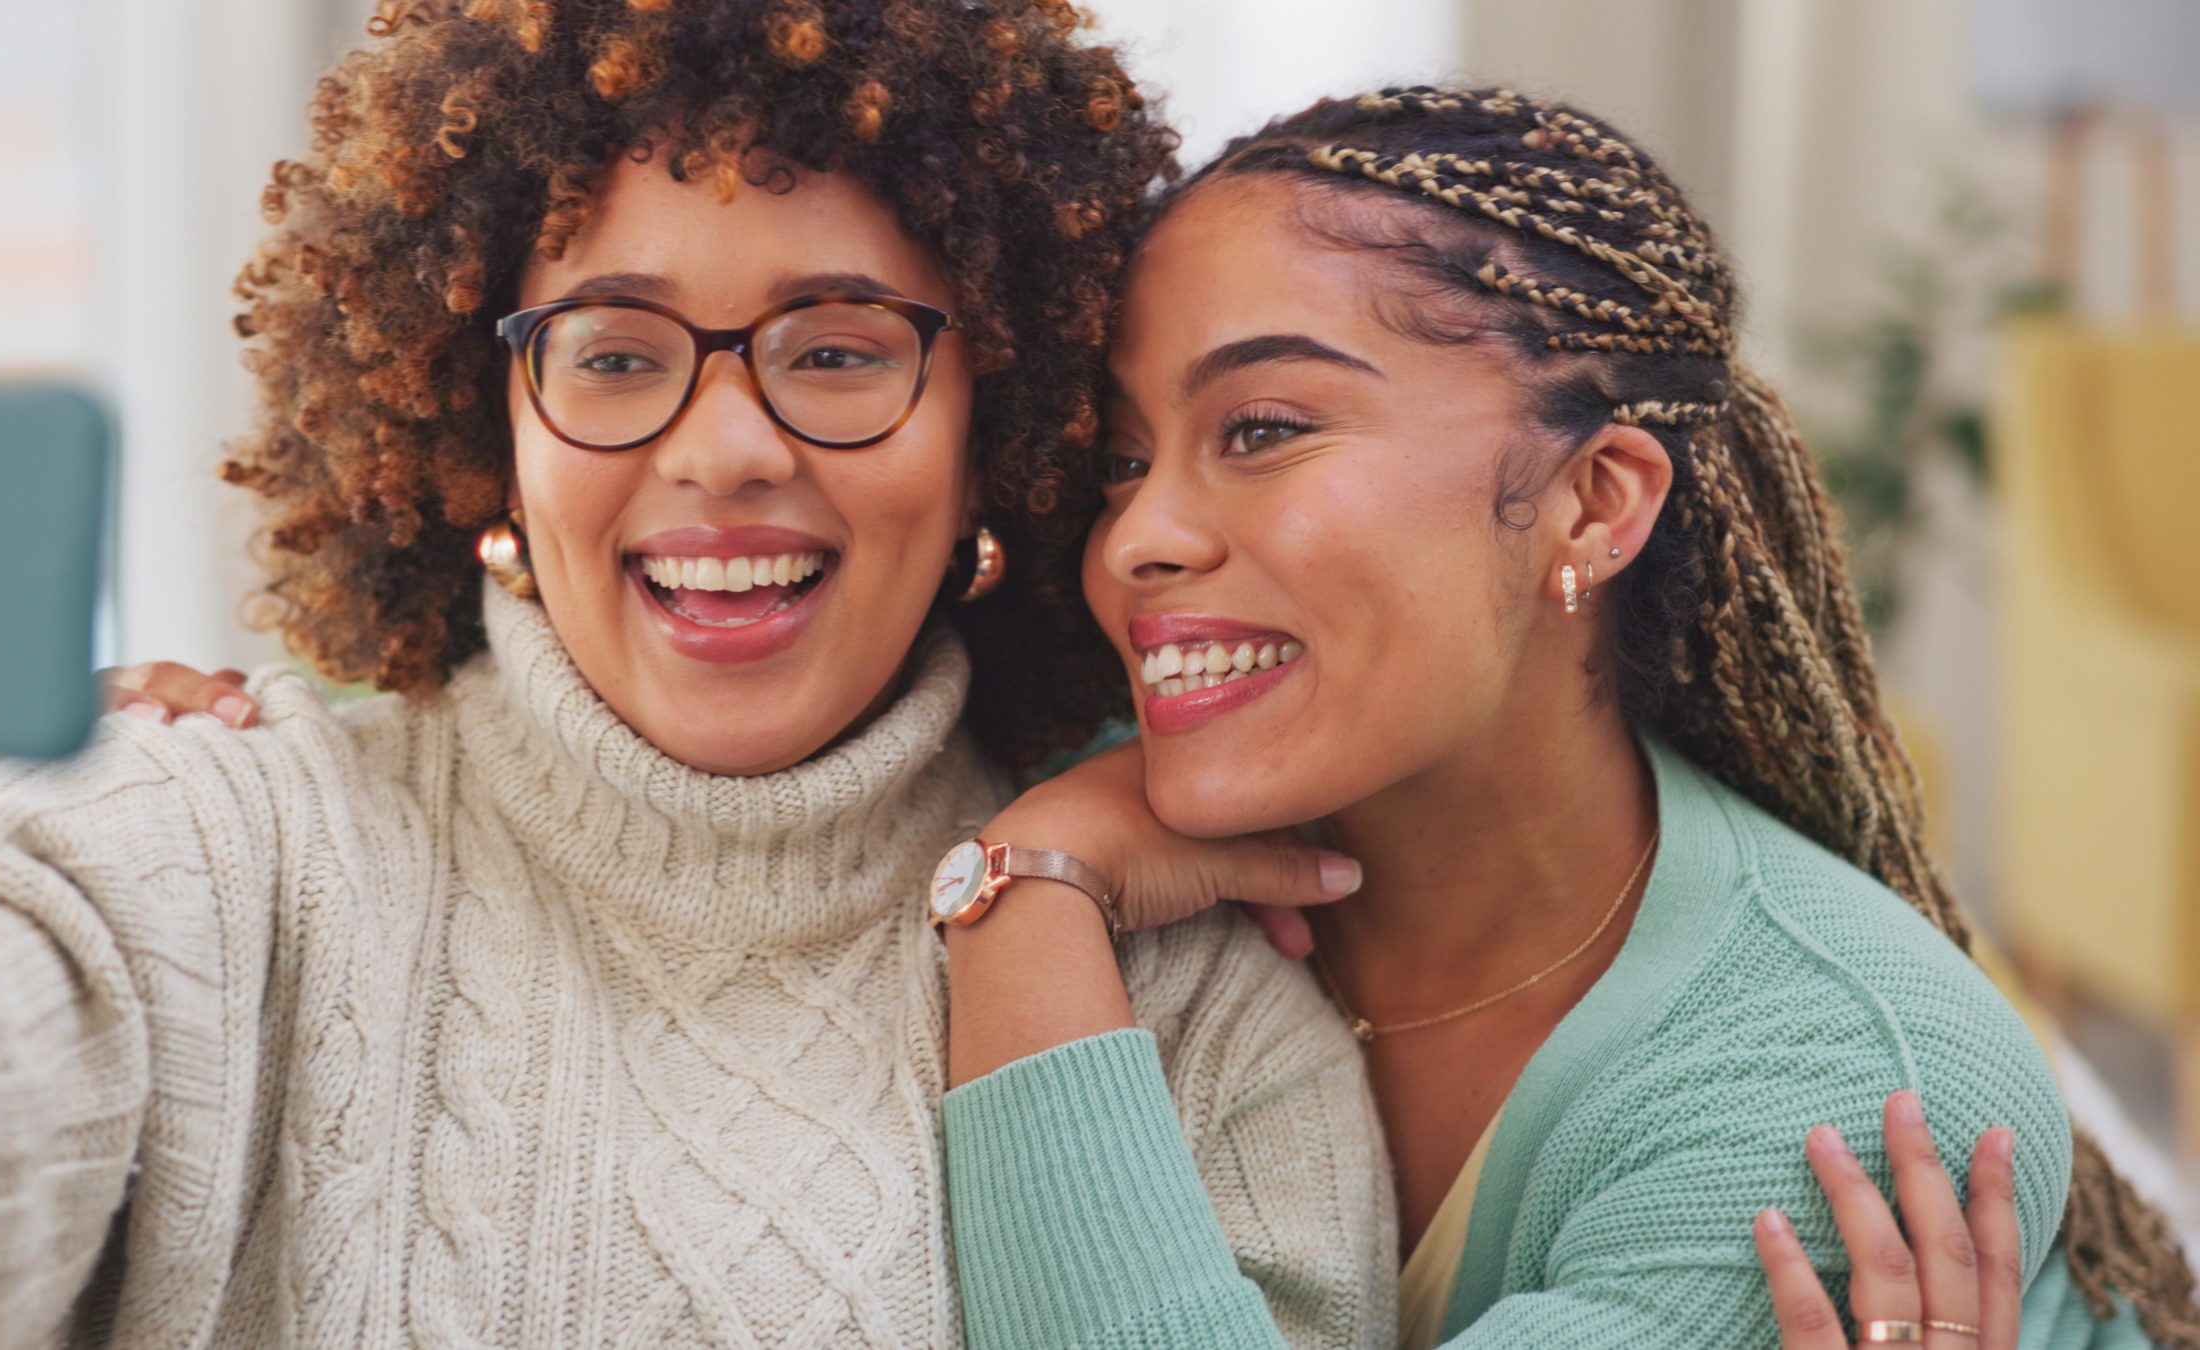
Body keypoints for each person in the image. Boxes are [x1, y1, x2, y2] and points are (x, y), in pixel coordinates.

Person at [0, 4, 1403, 1345]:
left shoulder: (1189, 1016)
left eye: (841, 350)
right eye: (616, 352)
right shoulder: (220, 840)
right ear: (487, 428)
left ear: (996, 431)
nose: (723, 449)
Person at [923, 88, 2200, 1348]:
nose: (1136, 538)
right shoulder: (1087, 828)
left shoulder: (1843, 1082)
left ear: (1594, 504)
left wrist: (1018, 906)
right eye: (1123, 462)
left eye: (1260, 429)